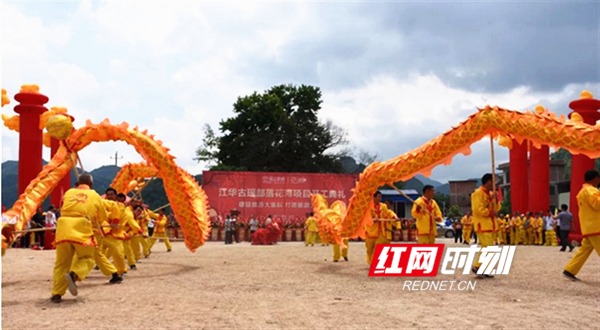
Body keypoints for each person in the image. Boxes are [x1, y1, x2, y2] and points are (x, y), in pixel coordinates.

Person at [50, 174, 108, 303]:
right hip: (80, 228)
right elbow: (102, 217)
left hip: (63, 228)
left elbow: (62, 206)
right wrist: (95, 219)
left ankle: (56, 294)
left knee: (61, 263)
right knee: (88, 258)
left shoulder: (69, 192)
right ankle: (74, 274)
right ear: (91, 185)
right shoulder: (95, 195)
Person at [563, 170, 600, 281]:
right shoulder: (591, 190)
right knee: (584, 250)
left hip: (588, 227)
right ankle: (570, 270)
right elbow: (597, 204)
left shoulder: (582, 192)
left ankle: (570, 270)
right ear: (595, 178)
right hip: (596, 226)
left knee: (583, 251)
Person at [470, 173, 501, 278]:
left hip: (490, 224)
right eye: (494, 181)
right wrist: (490, 212)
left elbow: (497, 209)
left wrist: (495, 200)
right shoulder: (477, 193)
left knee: (486, 247)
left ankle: (481, 268)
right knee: (489, 248)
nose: (495, 184)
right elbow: (477, 209)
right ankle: (477, 266)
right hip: (482, 224)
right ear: (489, 182)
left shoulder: (491, 194)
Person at [364, 191, 397, 265]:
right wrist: (372, 220)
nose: (380, 198)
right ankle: (370, 261)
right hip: (371, 231)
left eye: (380, 197)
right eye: (378, 197)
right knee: (369, 249)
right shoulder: (368, 206)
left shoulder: (383, 206)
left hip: (381, 231)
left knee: (378, 247)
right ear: (374, 197)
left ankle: (374, 263)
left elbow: (388, 212)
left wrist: (394, 216)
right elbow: (365, 217)